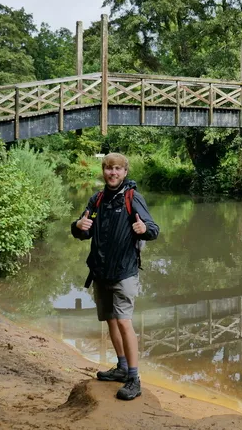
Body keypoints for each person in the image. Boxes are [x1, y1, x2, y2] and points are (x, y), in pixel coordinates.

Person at [70, 152, 159, 400]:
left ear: (125, 172)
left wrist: (144, 228)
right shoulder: (97, 199)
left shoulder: (133, 198)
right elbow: (83, 228)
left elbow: (153, 229)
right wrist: (78, 226)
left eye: (118, 169)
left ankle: (134, 378)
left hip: (124, 272)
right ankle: (121, 367)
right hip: (100, 272)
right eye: (109, 168)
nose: (113, 172)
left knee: (123, 321)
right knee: (110, 319)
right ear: (103, 171)